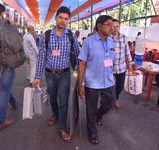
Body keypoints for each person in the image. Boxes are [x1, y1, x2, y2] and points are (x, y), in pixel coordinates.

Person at [33, 6, 79, 142]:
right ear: (56, 18)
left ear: (68, 20)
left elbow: (78, 55)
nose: (63, 21)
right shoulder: (45, 36)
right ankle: (55, 114)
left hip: (65, 74)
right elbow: (41, 57)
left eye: (66, 19)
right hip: (50, 74)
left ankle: (62, 127)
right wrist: (37, 77)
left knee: (64, 101)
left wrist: (76, 71)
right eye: (61, 17)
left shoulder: (71, 36)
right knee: (52, 98)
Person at [78, 15, 115, 145]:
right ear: (99, 26)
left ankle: (100, 114)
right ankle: (92, 132)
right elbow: (82, 63)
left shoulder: (111, 41)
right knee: (90, 109)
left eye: (113, 25)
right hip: (92, 82)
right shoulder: (89, 42)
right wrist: (80, 84)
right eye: (109, 24)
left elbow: (111, 60)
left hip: (108, 81)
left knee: (109, 103)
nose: (112, 27)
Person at [112, 19, 132, 109]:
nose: (115, 28)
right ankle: (108, 101)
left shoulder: (123, 37)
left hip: (121, 67)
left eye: (117, 26)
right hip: (109, 68)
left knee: (120, 86)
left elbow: (127, 51)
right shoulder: (107, 38)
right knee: (108, 87)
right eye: (113, 26)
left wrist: (129, 62)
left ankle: (115, 98)